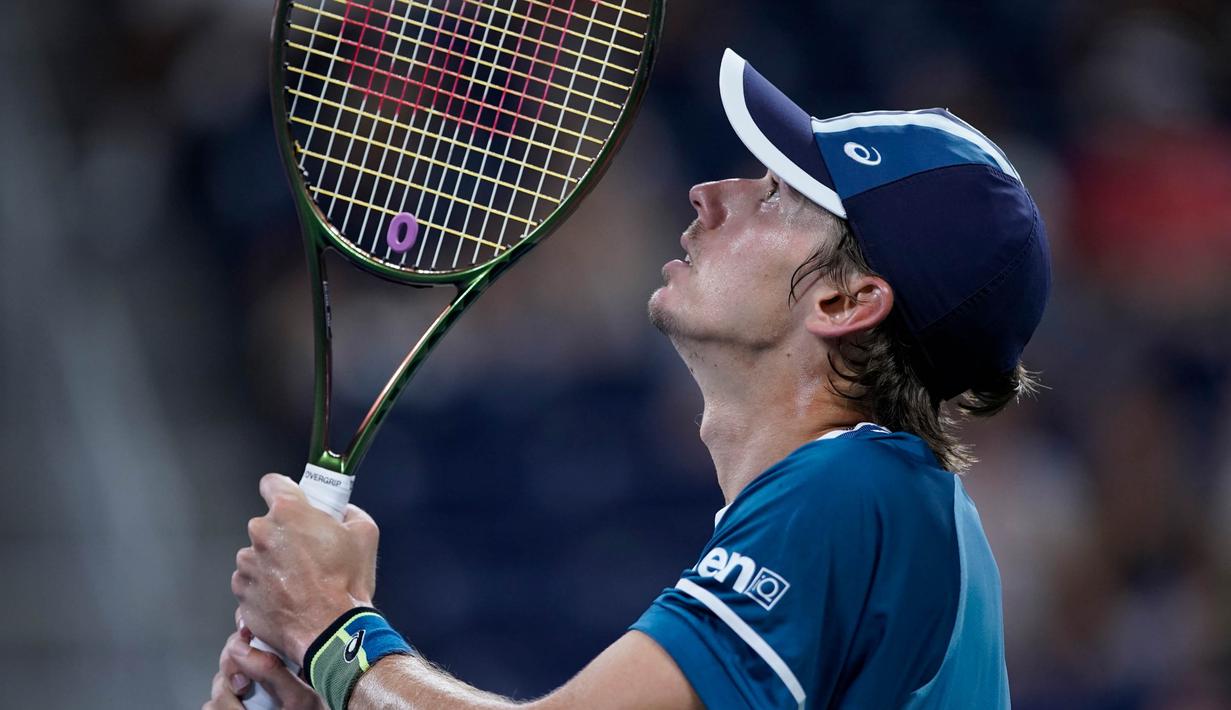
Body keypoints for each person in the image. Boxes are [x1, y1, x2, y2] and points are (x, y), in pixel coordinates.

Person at [208, 48, 1051, 710]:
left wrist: (333, 631)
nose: (708, 194)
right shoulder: (889, 507)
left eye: (772, 196)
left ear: (844, 299)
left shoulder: (852, 490)